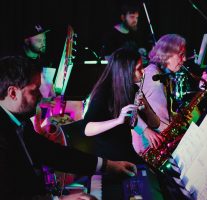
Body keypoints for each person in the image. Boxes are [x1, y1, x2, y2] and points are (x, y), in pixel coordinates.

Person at [0, 56, 137, 199]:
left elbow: (53, 153)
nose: (41, 96)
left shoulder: (19, 120)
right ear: (13, 93)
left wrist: (109, 165)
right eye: (34, 91)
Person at [80, 47, 159, 164]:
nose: (144, 71)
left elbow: (155, 124)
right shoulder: (103, 93)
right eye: (139, 69)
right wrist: (118, 120)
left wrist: (146, 108)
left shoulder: (133, 88)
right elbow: (87, 129)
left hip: (126, 153)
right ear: (126, 71)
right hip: (109, 159)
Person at [132, 33, 188, 152]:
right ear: (167, 55)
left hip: (154, 140)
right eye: (181, 55)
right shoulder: (154, 78)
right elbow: (160, 123)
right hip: (149, 146)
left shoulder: (159, 73)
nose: (184, 59)